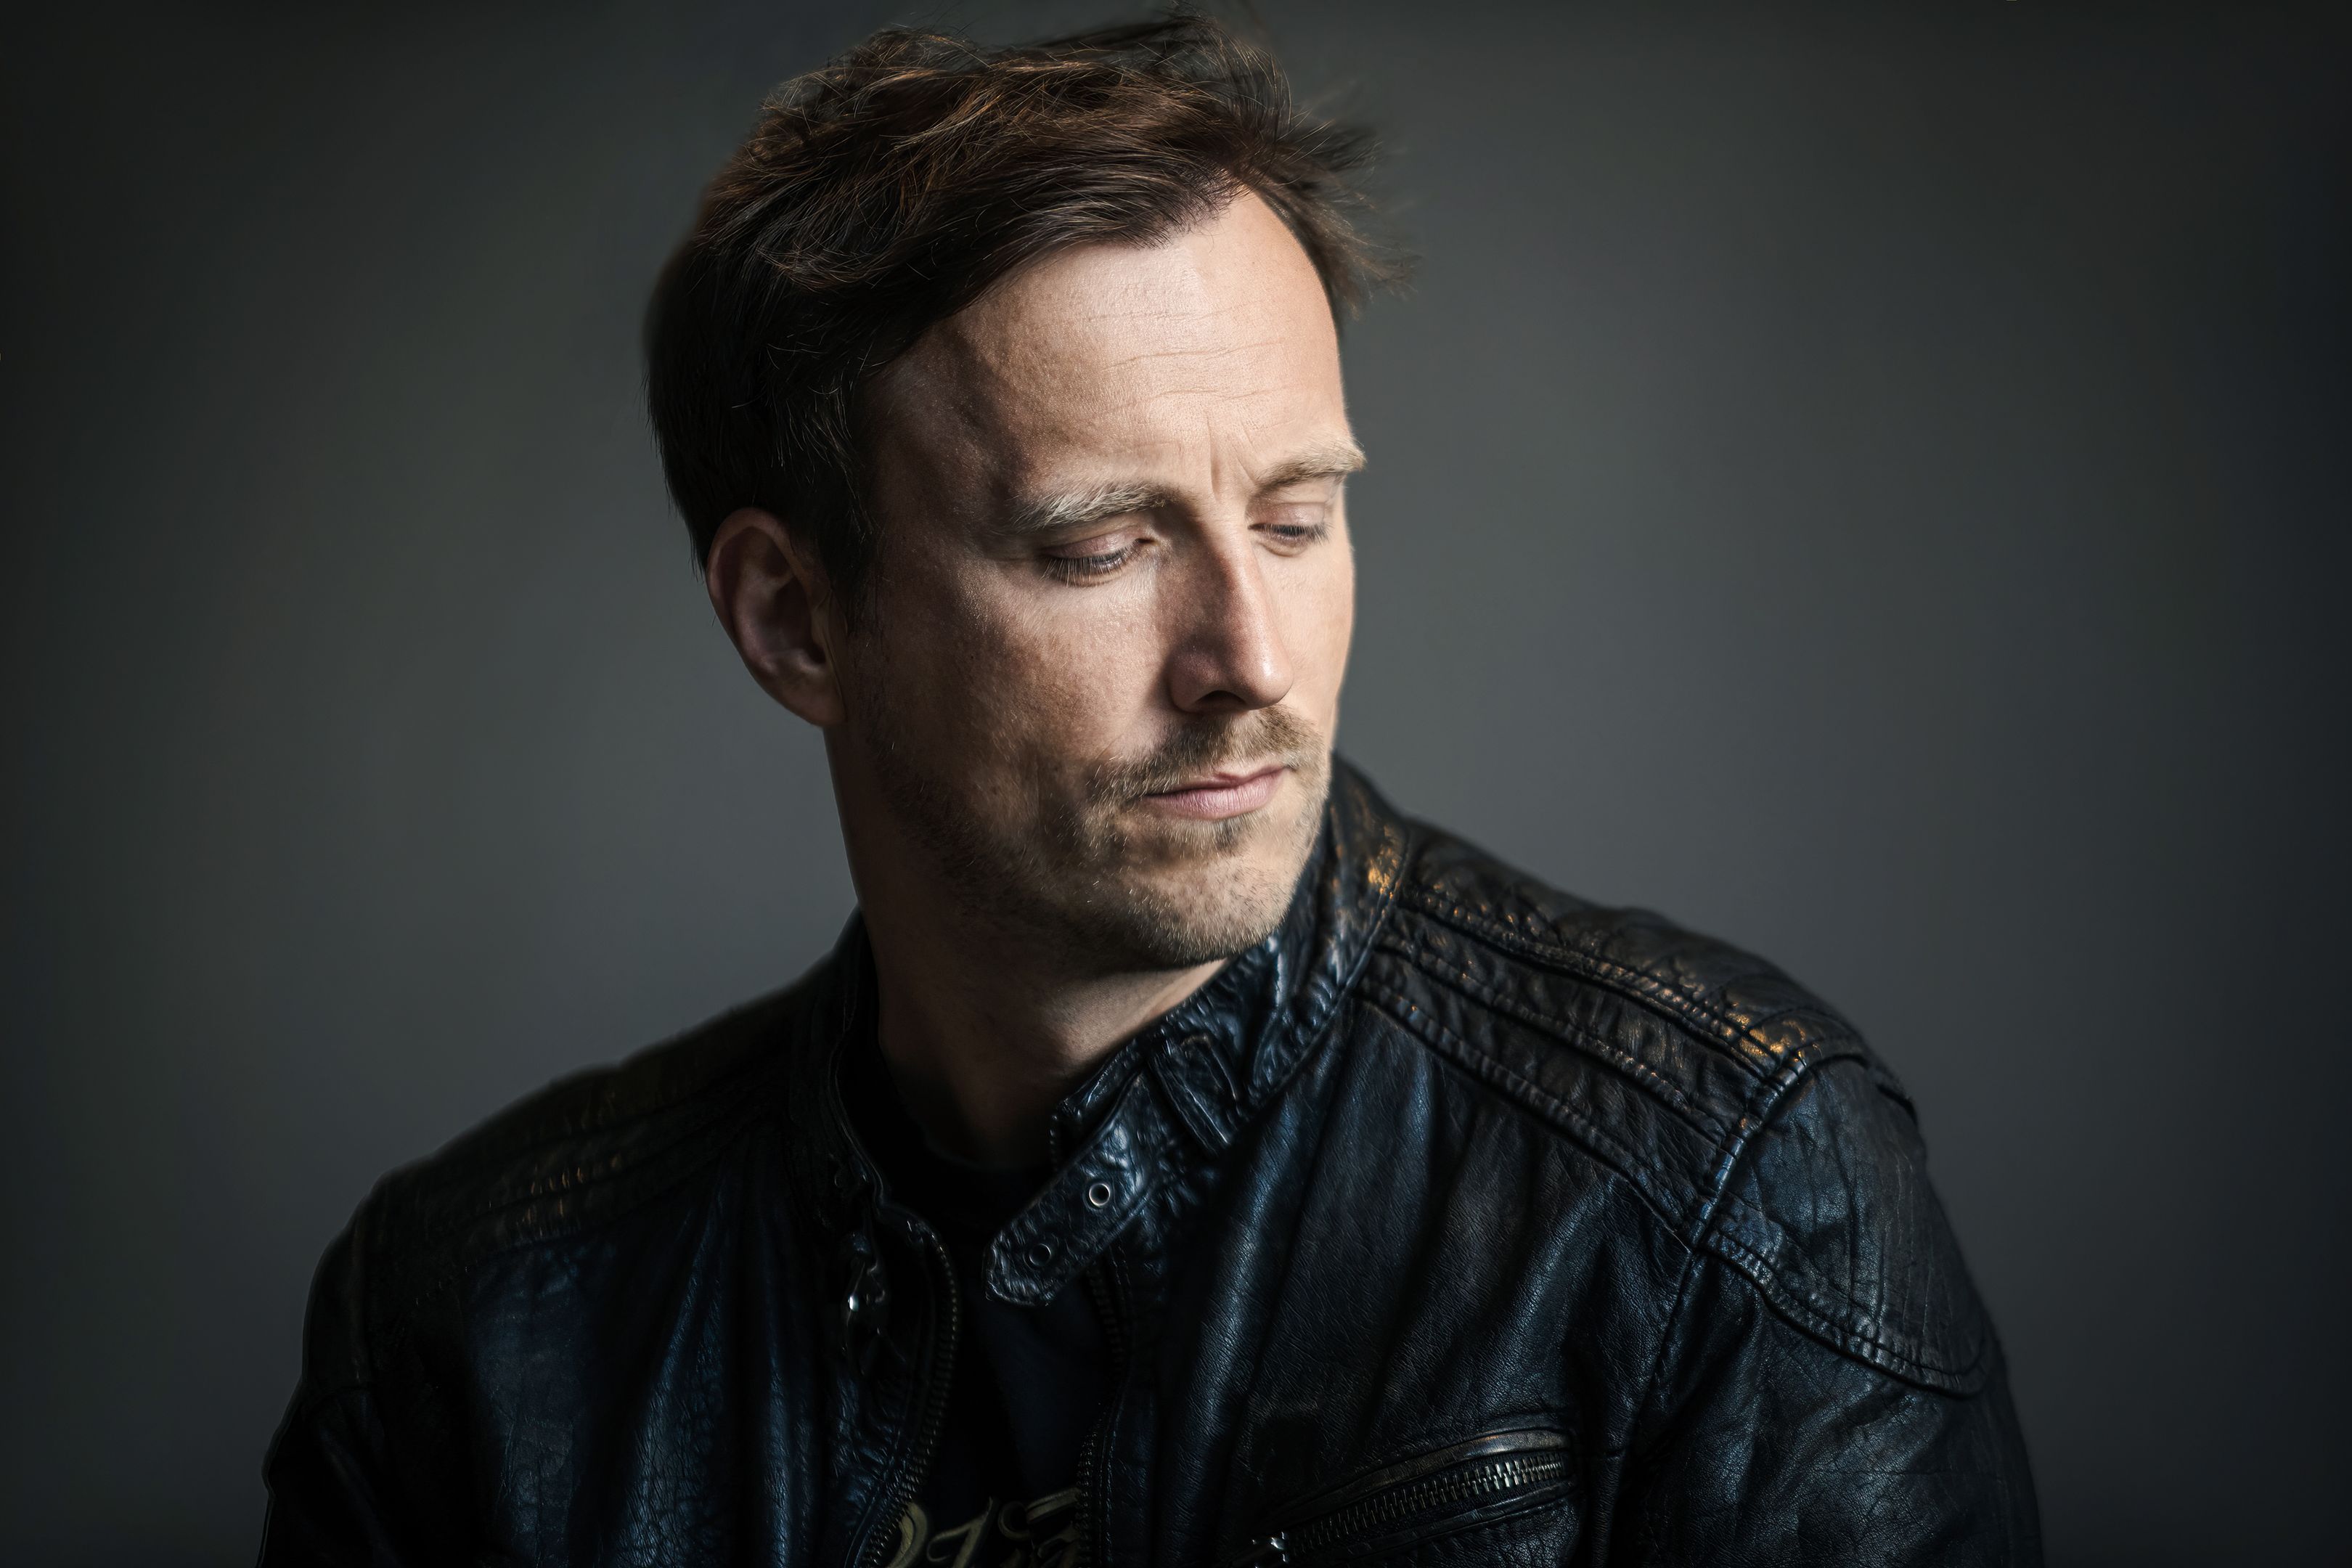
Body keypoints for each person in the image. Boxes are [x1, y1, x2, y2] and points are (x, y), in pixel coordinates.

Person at [258, 16, 2038, 1565]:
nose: (1250, 658)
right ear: (794, 618)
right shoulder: (472, 1329)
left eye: (1296, 517)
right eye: (1104, 546)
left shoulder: (1724, 1195)